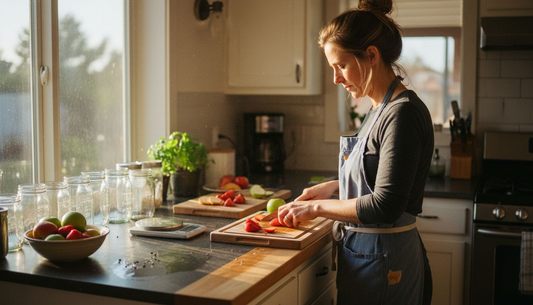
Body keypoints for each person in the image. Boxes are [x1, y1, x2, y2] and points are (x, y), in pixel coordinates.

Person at [276, 0, 434, 304]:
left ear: (371, 55)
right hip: (369, 257)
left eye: (341, 66)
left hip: (387, 264)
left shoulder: (402, 113)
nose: (336, 79)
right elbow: (377, 174)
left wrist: (315, 209)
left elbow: (385, 205)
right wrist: (333, 187)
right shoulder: (378, 109)